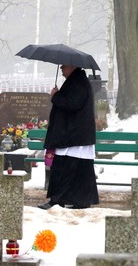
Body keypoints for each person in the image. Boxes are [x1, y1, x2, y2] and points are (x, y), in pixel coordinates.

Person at [38, 64, 99, 210]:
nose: (61, 69)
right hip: (74, 135)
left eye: (64, 66)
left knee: (64, 169)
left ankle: (58, 200)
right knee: (79, 170)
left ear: (72, 67)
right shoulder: (77, 80)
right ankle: (80, 200)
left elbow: (72, 104)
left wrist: (55, 96)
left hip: (72, 135)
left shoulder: (78, 82)